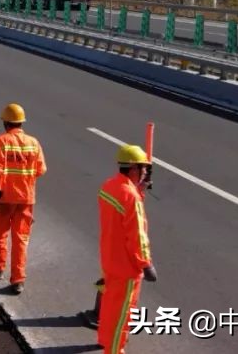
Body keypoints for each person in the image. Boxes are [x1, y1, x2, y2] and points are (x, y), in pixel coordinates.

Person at [97, 144, 156, 354]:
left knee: (110, 306)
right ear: (133, 170)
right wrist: (146, 263)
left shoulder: (109, 185)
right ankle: (114, 350)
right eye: (143, 168)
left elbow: (121, 216)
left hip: (110, 258)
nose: (145, 172)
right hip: (127, 266)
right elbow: (136, 234)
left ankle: (105, 340)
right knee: (122, 315)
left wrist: (138, 190)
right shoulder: (131, 196)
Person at [0, 103, 46, 295]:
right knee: (21, 239)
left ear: (5, 123)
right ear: (21, 122)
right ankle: (18, 279)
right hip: (26, 199)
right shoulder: (33, 143)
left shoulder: (2, 142)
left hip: (4, 198)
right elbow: (41, 169)